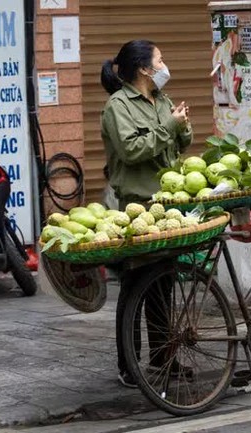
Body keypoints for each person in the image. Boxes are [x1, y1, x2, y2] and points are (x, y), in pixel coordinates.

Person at [100, 40, 193, 388]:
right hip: (136, 206)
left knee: (162, 283)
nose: (164, 64)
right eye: (160, 59)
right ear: (143, 68)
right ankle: (128, 364)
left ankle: (162, 356)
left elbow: (178, 142)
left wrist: (181, 126)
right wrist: (169, 126)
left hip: (167, 204)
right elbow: (131, 150)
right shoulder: (117, 106)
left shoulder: (161, 99)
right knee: (135, 283)